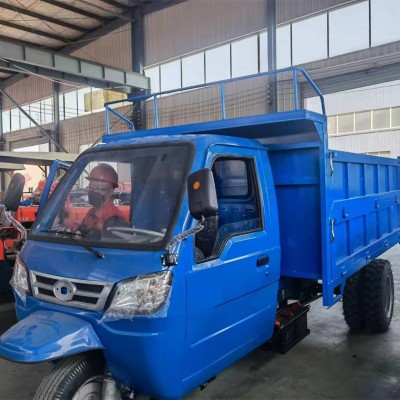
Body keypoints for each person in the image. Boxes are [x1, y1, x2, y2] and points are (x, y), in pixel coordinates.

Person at [79, 163, 129, 239]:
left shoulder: (115, 221)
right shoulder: (91, 212)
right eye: (91, 188)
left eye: (98, 189)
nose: (93, 192)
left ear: (110, 192)